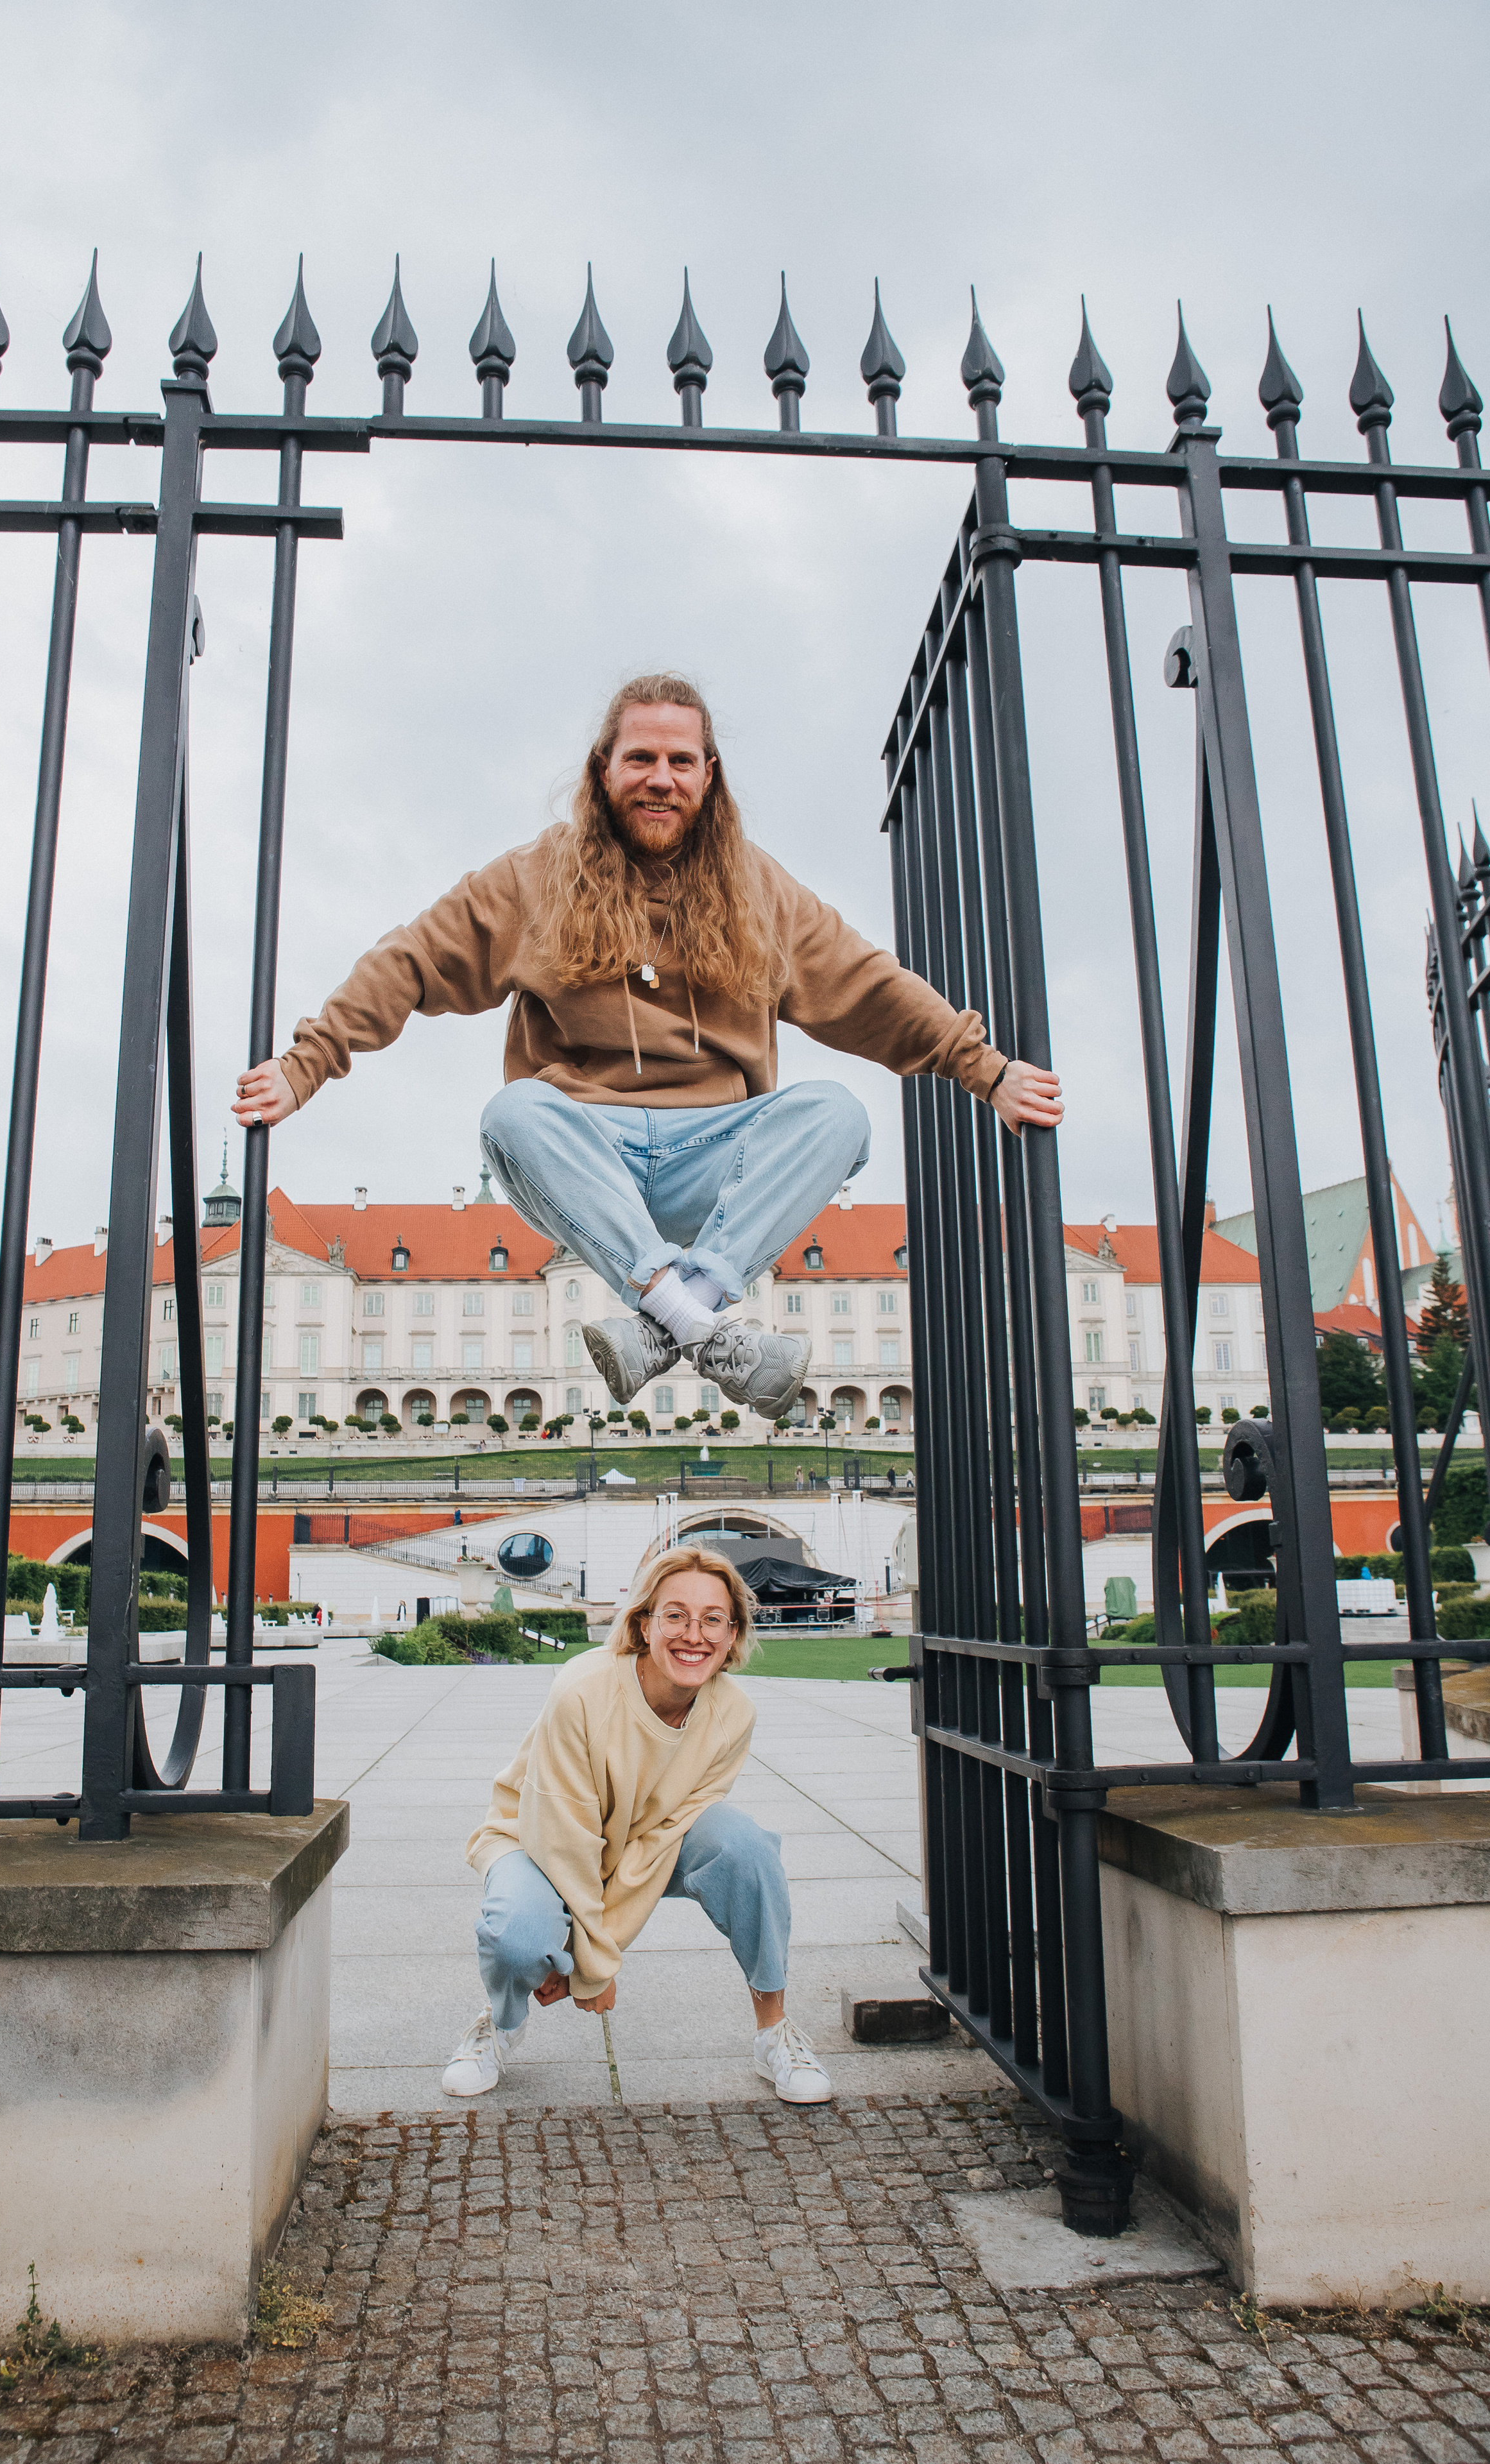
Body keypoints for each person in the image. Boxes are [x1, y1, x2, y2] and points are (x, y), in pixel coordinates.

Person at [231, 673, 1062, 1421]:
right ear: (603, 771)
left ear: (708, 778)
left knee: (838, 1114)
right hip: (588, 1151)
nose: (660, 777)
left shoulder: (757, 889)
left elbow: (866, 984)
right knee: (514, 1112)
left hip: (716, 1157)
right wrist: (308, 1066)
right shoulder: (534, 879)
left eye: (680, 760)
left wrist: (985, 1073)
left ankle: (668, 1320)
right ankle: (705, 1322)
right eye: (640, 759)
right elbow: (409, 960)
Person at [440, 1541, 832, 2101]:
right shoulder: (582, 1689)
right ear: (644, 1623)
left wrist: (586, 1961)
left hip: (638, 1844)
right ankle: (500, 2024)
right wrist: (585, 1963)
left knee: (747, 1850)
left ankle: (775, 2034)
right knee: (520, 1937)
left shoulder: (734, 1714)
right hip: (537, 1838)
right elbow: (564, 1839)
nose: (694, 1635)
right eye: (675, 1616)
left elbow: (665, 1836)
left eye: (713, 1620)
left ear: (734, 1634)